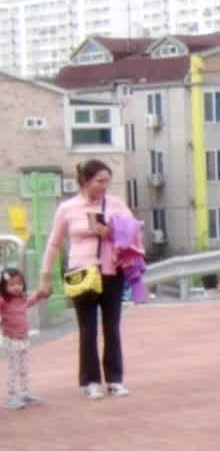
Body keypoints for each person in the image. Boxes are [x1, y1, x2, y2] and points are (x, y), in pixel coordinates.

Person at [36, 159, 135, 399]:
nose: (104, 186)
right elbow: (55, 243)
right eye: (100, 181)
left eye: (107, 181)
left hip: (111, 270)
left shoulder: (116, 204)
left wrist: (112, 232)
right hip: (82, 271)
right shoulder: (68, 208)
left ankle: (115, 379)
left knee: (111, 326)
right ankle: (90, 381)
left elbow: (134, 231)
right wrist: (45, 276)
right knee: (87, 328)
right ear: (84, 181)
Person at [3, 268, 45, 409]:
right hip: (11, 339)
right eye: (11, 284)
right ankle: (11, 396)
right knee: (13, 369)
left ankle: (25, 393)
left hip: (24, 339)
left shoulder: (22, 299)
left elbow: (31, 301)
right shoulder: (4, 301)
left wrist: (40, 295)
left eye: (19, 283)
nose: (16, 287)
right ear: (4, 287)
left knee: (24, 368)